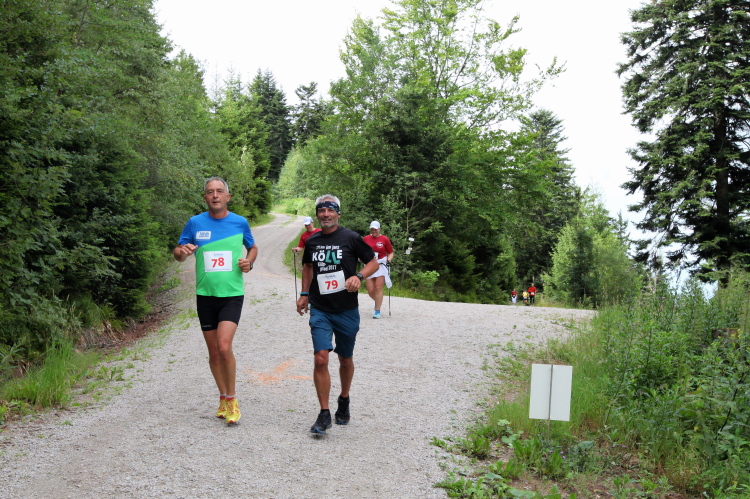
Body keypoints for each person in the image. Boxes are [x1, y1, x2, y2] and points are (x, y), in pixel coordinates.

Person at [173, 177, 257, 425]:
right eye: (210, 192)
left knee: (223, 346)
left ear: (227, 197)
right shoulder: (195, 223)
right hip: (205, 295)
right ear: (205, 198)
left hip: (231, 294)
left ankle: (232, 399)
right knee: (213, 351)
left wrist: (249, 262)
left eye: (219, 191)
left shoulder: (239, 222)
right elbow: (178, 253)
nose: (215, 195)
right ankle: (222, 396)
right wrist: (182, 252)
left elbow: (252, 247)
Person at [296, 195, 379, 435]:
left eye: (330, 210)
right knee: (321, 358)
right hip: (320, 308)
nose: (325, 214)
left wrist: (359, 276)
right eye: (321, 211)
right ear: (317, 215)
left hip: (346, 309)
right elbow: (308, 266)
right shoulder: (312, 241)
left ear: (338, 214)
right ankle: (324, 414)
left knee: (345, 359)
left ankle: (344, 398)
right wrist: (304, 293)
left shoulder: (351, 238)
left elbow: (373, 262)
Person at [362, 221, 394, 319]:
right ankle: (378, 301)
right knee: (370, 290)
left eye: (375, 229)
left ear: (379, 229)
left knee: (378, 287)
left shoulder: (384, 239)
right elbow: (361, 250)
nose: (374, 231)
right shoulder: (366, 238)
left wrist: (388, 260)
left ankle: (377, 310)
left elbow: (391, 253)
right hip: (369, 264)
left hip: (381, 265)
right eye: (372, 229)